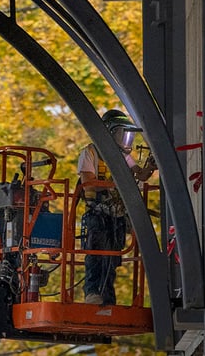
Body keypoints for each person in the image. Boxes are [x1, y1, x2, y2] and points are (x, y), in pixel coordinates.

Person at [78, 109, 155, 305]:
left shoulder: (124, 158)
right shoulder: (91, 152)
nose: (127, 141)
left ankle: (107, 298)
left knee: (112, 259)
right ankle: (92, 292)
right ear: (110, 132)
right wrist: (118, 185)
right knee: (97, 254)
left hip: (117, 215)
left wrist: (150, 166)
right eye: (124, 134)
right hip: (98, 213)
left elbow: (141, 175)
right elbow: (89, 181)